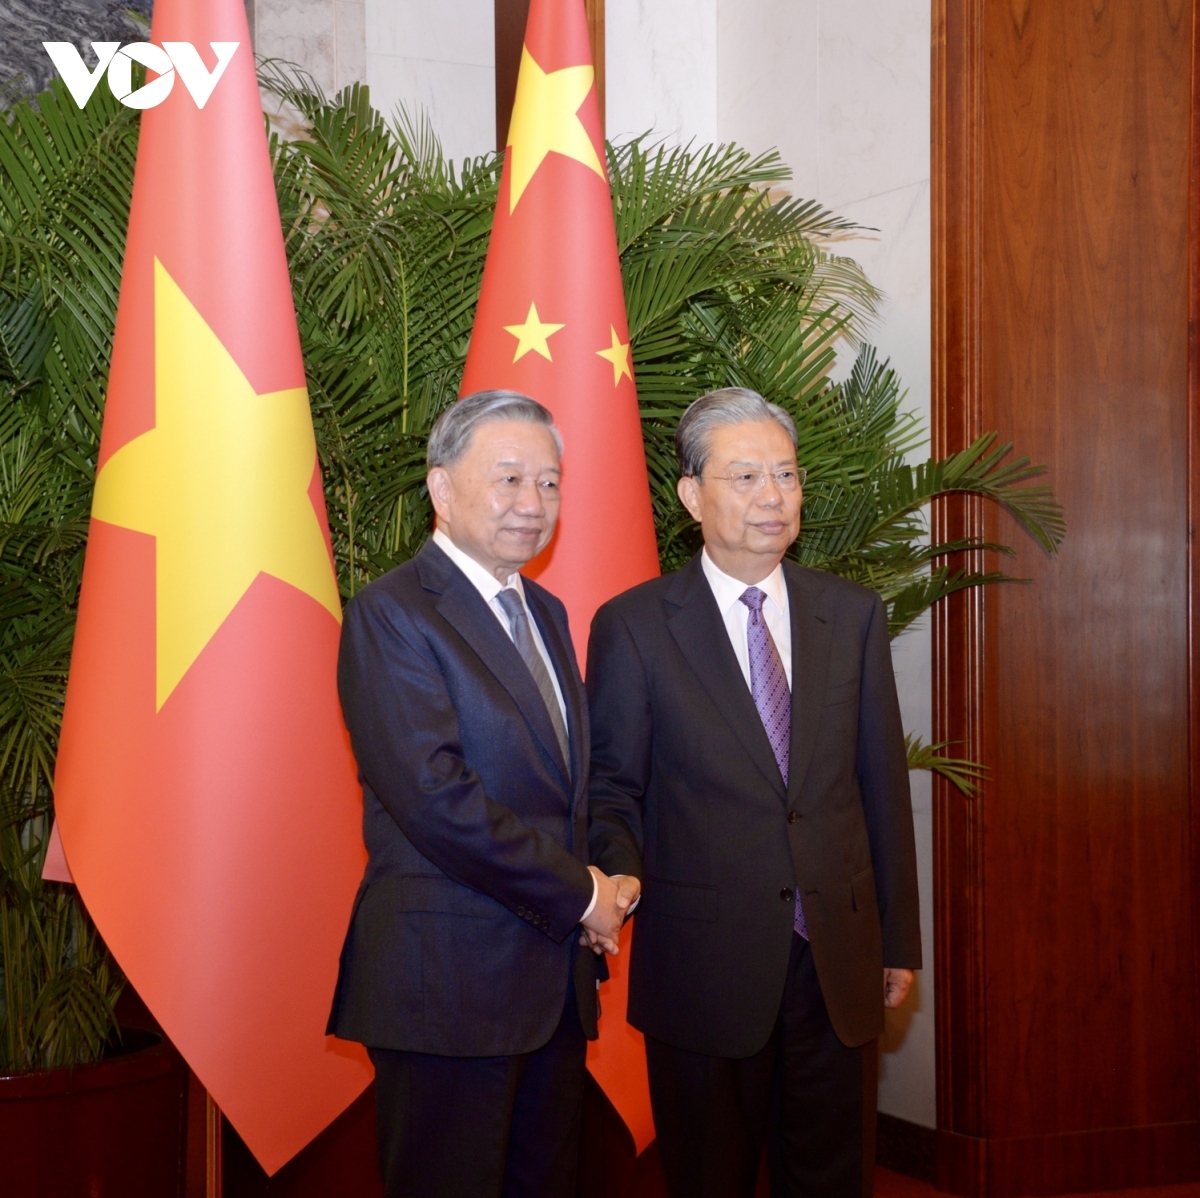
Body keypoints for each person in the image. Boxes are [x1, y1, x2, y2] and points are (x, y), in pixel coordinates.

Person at [586, 388, 921, 1198]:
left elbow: (879, 785)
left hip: (834, 961)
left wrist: (897, 939)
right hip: (705, 967)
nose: (774, 496)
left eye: (787, 474)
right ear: (693, 495)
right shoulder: (634, 625)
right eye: (746, 477)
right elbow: (612, 786)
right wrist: (617, 872)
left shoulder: (852, 615)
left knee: (832, 1174)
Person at [327, 390, 640, 1198]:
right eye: (508, 480)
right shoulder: (392, 612)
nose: (532, 505)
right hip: (448, 987)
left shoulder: (545, 608)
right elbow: (436, 800)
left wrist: (612, 874)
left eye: (549, 484)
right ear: (441, 488)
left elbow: (567, 782)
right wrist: (582, 896)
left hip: (552, 990)